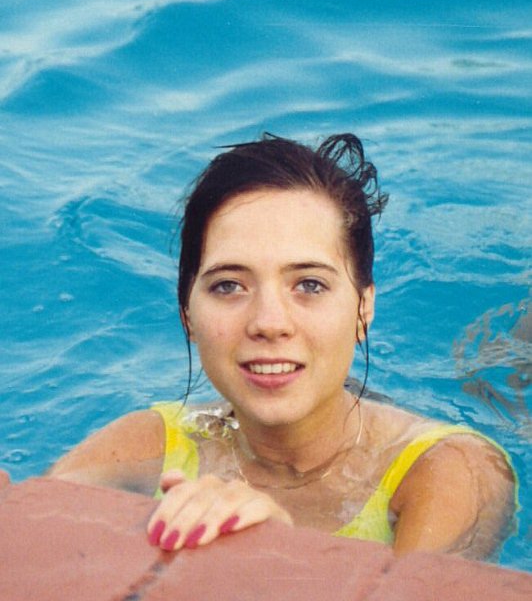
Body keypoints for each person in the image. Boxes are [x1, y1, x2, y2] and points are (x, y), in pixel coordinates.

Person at [49, 133, 517, 559]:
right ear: (187, 314)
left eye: (310, 284)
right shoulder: (150, 443)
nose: (269, 323)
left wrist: (282, 556)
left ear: (363, 309)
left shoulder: (451, 471)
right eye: (228, 286)